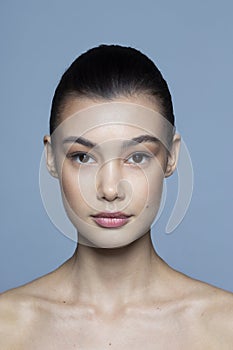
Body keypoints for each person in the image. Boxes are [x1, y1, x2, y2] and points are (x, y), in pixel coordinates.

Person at [0, 44, 232, 349]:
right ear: (52, 158)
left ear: (171, 157)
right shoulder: (8, 327)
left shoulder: (224, 327)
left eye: (137, 157)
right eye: (83, 157)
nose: (110, 190)